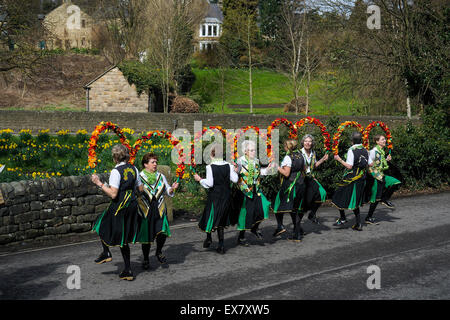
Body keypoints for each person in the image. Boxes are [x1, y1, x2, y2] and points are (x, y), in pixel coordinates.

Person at [91, 144, 143, 281]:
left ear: (114, 157)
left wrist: (99, 184)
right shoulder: (134, 169)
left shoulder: (116, 171)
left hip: (120, 206)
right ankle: (127, 270)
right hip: (132, 205)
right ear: (126, 155)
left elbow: (113, 194)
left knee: (100, 223)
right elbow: (140, 189)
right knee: (123, 238)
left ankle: (107, 252)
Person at [136, 153, 179, 269]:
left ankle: (158, 251)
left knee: (162, 232)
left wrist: (172, 189)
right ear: (145, 164)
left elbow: (167, 190)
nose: (155, 164)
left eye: (156, 162)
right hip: (146, 210)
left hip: (159, 208)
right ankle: (145, 258)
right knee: (147, 237)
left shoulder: (160, 176)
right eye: (152, 162)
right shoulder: (139, 177)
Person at [194, 143, 239, 254]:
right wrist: (236, 171)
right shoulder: (228, 165)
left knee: (209, 216)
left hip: (215, 196)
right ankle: (221, 245)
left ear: (212, 154)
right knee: (221, 219)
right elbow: (235, 180)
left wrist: (200, 179)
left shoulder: (210, 167)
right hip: (226, 196)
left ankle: (209, 238)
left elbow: (210, 183)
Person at [232, 140, 274, 246]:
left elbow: (260, 173)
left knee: (265, 205)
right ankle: (241, 237)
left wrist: (267, 169)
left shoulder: (256, 161)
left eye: (254, 150)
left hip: (256, 189)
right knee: (245, 214)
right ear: (245, 151)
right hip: (244, 191)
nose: (253, 152)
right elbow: (235, 175)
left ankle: (254, 228)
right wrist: (236, 171)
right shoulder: (240, 161)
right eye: (251, 150)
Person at [332, 132, 372, 231]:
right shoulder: (365, 150)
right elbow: (370, 164)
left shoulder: (351, 150)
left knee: (338, 195)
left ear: (352, 141)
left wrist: (339, 159)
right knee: (355, 200)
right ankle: (356, 222)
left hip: (352, 178)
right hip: (362, 178)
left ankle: (344, 218)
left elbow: (349, 166)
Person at [272, 139, 306, 242]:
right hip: (300, 184)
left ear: (288, 147)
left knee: (276, 204)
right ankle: (297, 234)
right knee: (295, 209)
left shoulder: (288, 157)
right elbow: (304, 169)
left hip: (290, 185)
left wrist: (277, 166)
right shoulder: (301, 155)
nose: (284, 147)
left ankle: (280, 226)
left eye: (285, 146)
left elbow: (286, 173)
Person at [364, 134, 401, 224]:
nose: (385, 141)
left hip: (381, 175)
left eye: (385, 139)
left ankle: (385, 199)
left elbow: (379, 162)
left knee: (396, 183)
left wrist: (386, 160)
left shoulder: (381, 151)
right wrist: (372, 171)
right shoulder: (373, 151)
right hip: (375, 177)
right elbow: (367, 162)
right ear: (377, 142)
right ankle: (369, 217)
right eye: (382, 139)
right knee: (375, 199)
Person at [300, 134, 328, 224]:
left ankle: (312, 214)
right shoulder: (299, 153)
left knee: (322, 193)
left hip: (310, 178)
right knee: (304, 202)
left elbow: (313, 165)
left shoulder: (313, 153)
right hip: (301, 179)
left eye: (309, 141)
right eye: (306, 141)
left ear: (312, 143)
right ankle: (297, 226)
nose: (307, 143)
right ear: (303, 142)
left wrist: (323, 160)